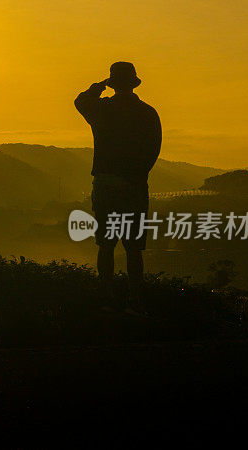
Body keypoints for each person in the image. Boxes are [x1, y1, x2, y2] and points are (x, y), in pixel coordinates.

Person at [74, 61, 161, 312]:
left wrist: (96, 88)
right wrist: (138, 174)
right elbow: (154, 148)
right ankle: (135, 298)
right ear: (133, 84)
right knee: (134, 247)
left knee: (106, 243)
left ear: (112, 84)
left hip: (106, 182)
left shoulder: (102, 109)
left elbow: (80, 102)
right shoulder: (147, 112)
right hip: (134, 185)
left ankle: (106, 296)